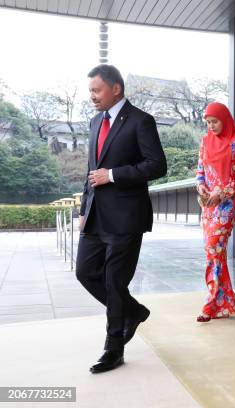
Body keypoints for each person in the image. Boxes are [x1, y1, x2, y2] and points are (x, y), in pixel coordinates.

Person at [76, 64, 167, 373]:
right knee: (85, 272)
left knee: (115, 282)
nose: (92, 96)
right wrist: (82, 208)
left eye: (96, 90)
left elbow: (156, 165)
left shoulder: (141, 121)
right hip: (95, 216)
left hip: (126, 217)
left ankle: (113, 348)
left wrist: (112, 175)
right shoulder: (93, 122)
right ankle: (134, 311)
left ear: (115, 88)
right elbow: (91, 169)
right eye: (90, 90)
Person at [195, 102, 235, 322]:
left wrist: (224, 192)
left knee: (213, 246)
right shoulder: (205, 141)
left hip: (228, 204)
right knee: (214, 251)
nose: (211, 126)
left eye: (215, 121)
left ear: (224, 119)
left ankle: (211, 302)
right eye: (208, 123)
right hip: (208, 203)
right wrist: (200, 185)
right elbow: (200, 170)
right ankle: (225, 302)